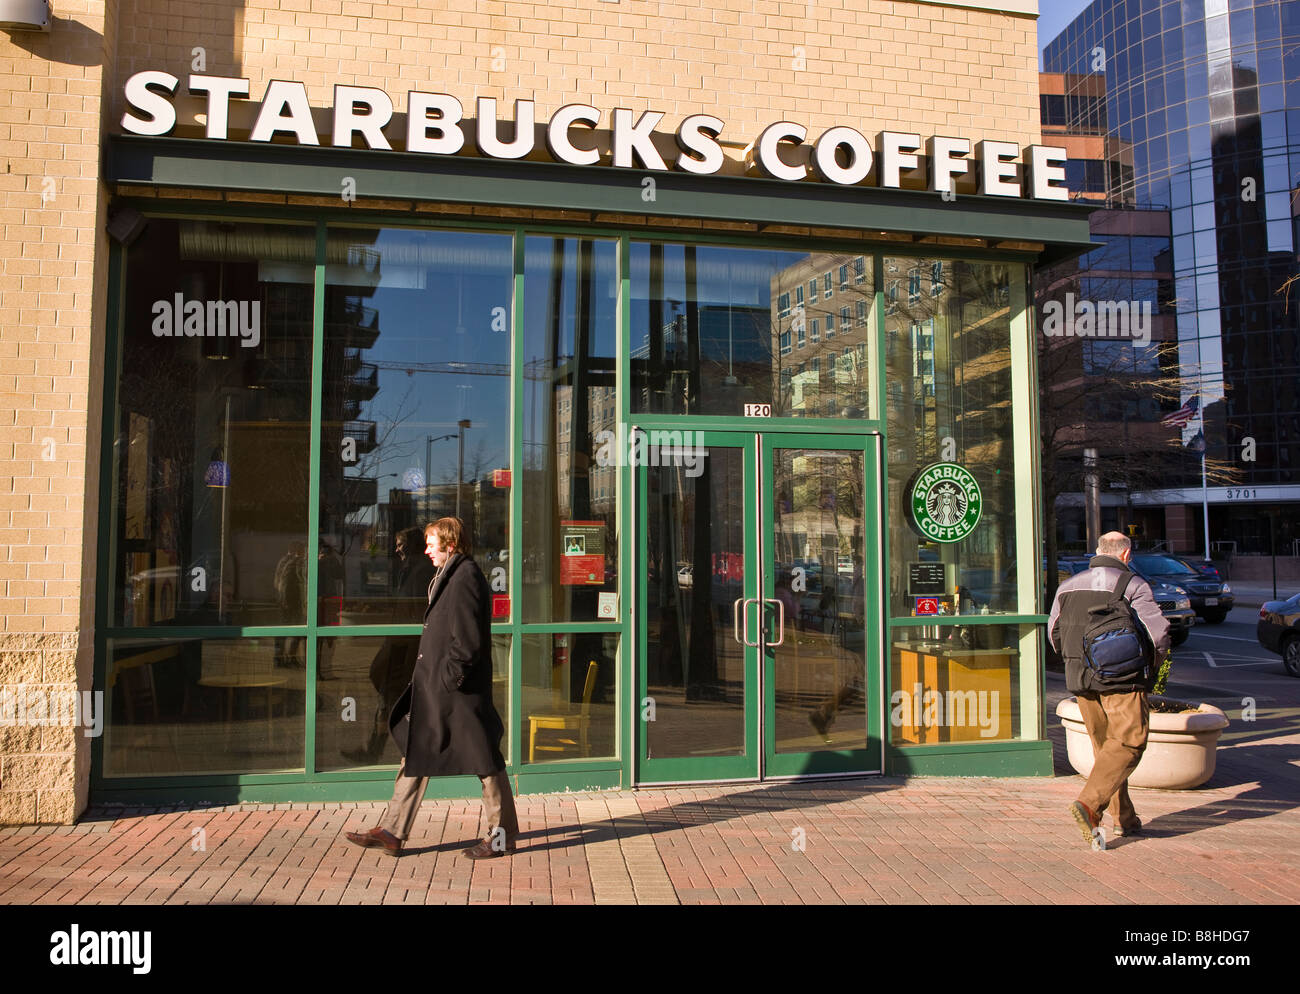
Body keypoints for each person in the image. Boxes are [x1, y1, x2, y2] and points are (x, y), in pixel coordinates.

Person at [345, 517, 518, 859]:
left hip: (459, 694)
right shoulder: (451, 574)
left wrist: (446, 680)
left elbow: (467, 643)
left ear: (450, 544)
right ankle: (393, 830)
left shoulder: (465, 576)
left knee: (485, 760)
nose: (426, 550)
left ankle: (503, 837)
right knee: (417, 750)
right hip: (442, 689)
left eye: (430, 543)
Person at [1048, 531, 1169, 846]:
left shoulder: (1067, 585)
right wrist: (1152, 669)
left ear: (1098, 551)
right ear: (1126, 555)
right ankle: (1088, 805)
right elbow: (1158, 634)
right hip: (1122, 678)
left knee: (1106, 751)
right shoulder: (1132, 584)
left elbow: (1053, 632)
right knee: (1129, 742)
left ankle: (1125, 819)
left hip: (1081, 679)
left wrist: (1075, 662)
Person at [344, 527, 436, 764]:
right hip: (399, 641)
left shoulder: (421, 570)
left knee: (393, 694)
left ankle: (387, 748)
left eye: (400, 543)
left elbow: (419, 609)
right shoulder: (409, 569)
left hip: (407, 644)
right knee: (388, 690)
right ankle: (384, 747)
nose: (397, 549)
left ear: (412, 545)